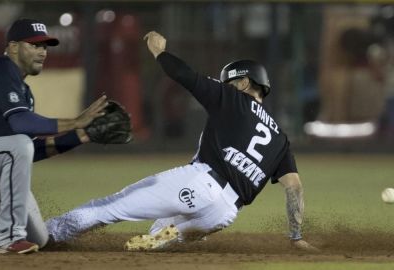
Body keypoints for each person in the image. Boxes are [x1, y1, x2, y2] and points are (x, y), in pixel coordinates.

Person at [45, 31, 318, 252]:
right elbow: (294, 187)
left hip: (199, 183)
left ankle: (45, 234)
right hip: (223, 214)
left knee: (108, 207)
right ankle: (173, 233)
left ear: (245, 83)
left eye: (230, 82)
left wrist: (159, 52)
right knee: (158, 231)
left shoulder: (234, 99)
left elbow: (185, 76)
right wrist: (295, 235)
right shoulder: (281, 139)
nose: (226, 86)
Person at [0, 18, 109, 254]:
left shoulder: (24, 93)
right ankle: (9, 238)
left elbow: (32, 150)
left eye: (45, 47)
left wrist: (82, 135)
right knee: (19, 145)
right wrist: (76, 121)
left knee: (40, 238)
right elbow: (21, 125)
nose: (42, 52)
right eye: (34, 45)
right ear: (14, 47)